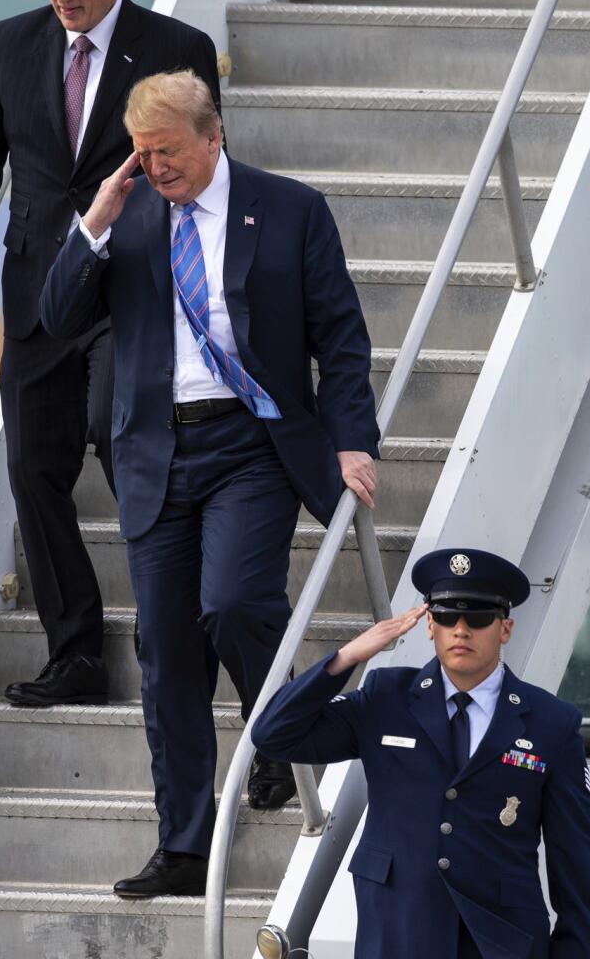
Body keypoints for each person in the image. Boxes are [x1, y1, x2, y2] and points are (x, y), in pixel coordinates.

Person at [40, 69, 381, 897]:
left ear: (213, 134)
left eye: (169, 153)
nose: (156, 169)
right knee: (165, 650)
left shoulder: (291, 208)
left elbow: (339, 337)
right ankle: (186, 848)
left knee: (232, 604)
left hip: (252, 443)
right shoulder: (129, 215)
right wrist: (95, 223)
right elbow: (54, 319)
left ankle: (278, 730)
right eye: (143, 154)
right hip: (155, 451)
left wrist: (351, 443)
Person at [0, 0, 221, 707]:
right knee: (32, 467)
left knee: (113, 430)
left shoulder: (174, 42)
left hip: (129, 289)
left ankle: (184, 618)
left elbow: (204, 168)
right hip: (39, 289)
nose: (67, 2)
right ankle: (77, 655)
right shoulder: (9, 41)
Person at [252, 548, 590, 958]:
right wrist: (346, 658)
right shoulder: (385, 699)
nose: (462, 629)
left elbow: (573, 864)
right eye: (449, 616)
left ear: (505, 628)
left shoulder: (551, 723)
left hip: (500, 941)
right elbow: (273, 734)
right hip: (398, 933)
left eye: (479, 617)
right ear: (429, 624)